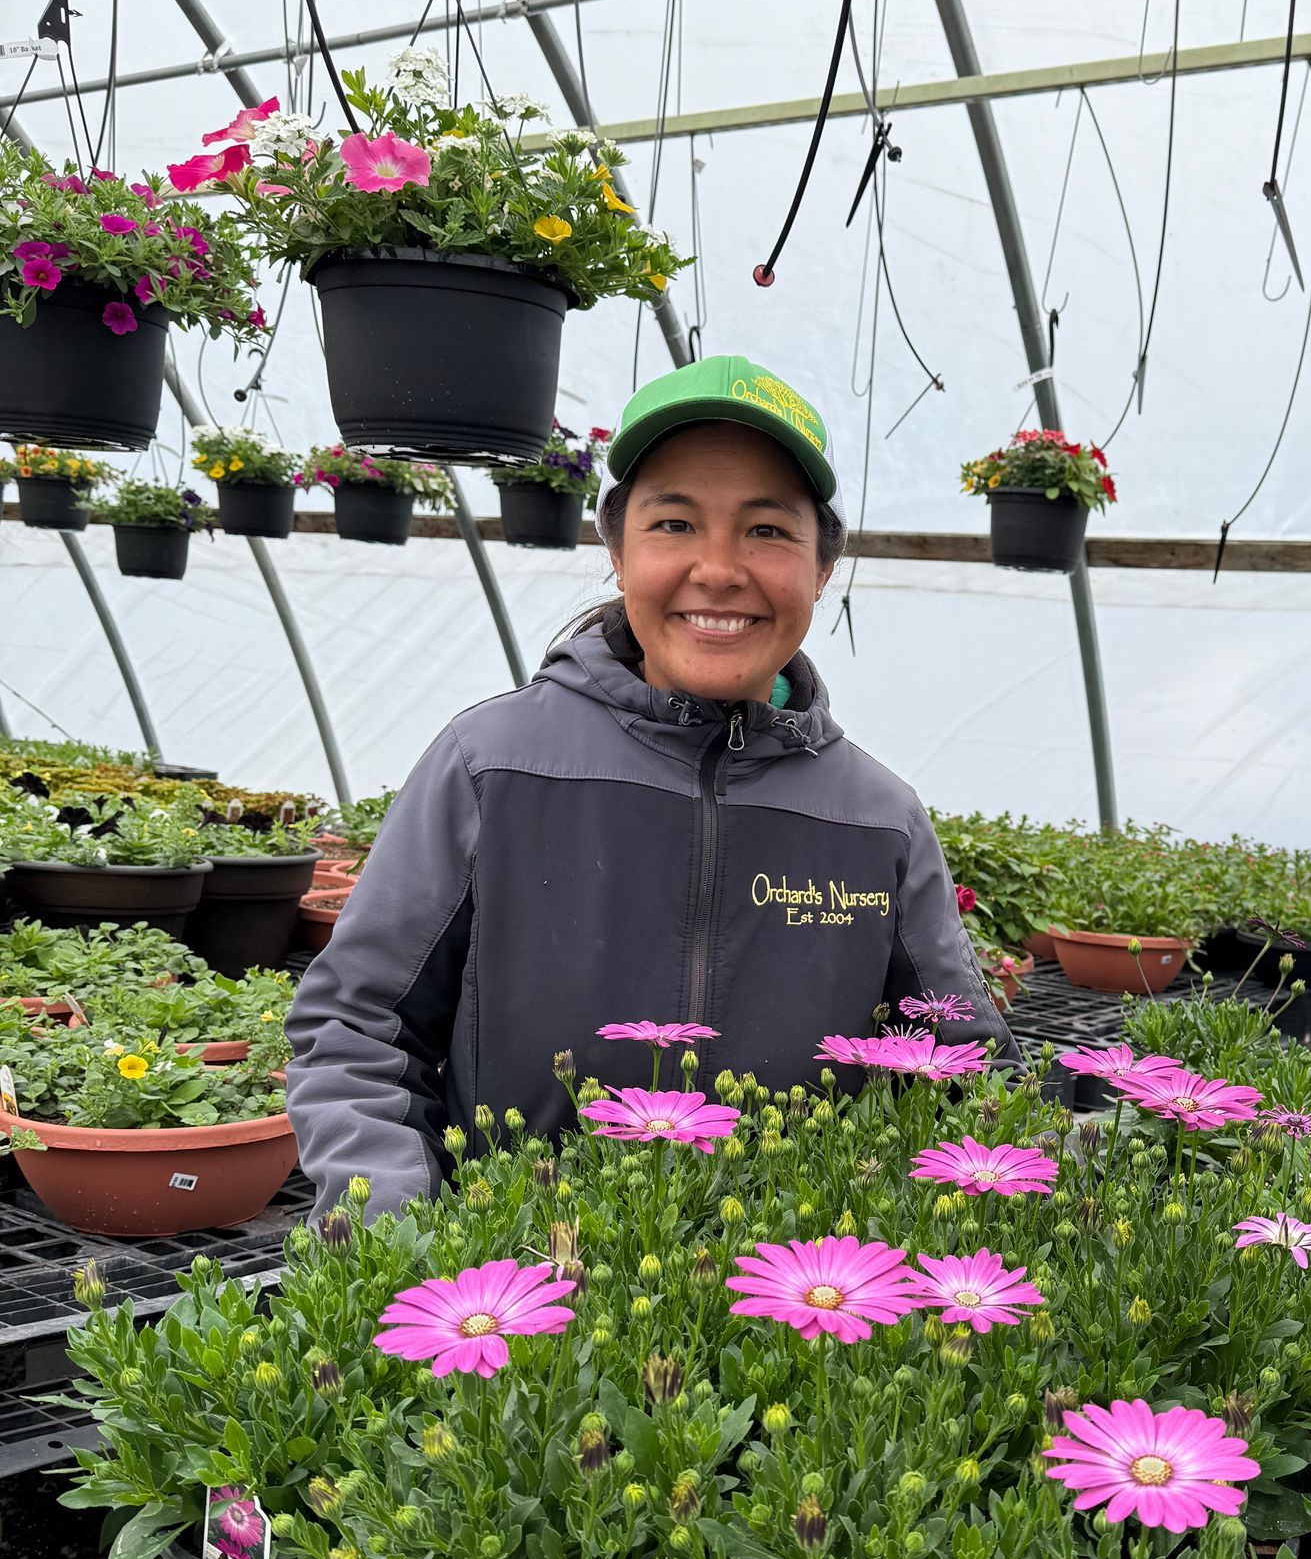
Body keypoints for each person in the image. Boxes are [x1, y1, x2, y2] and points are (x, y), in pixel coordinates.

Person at [287, 354, 1004, 1213]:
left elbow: (962, 1063)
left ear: (822, 570)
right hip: (512, 1295)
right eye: (673, 524)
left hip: (801, 1305)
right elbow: (357, 1029)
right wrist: (401, 1244)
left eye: (767, 530)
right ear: (618, 552)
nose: (719, 570)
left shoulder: (878, 818)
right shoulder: (493, 765)